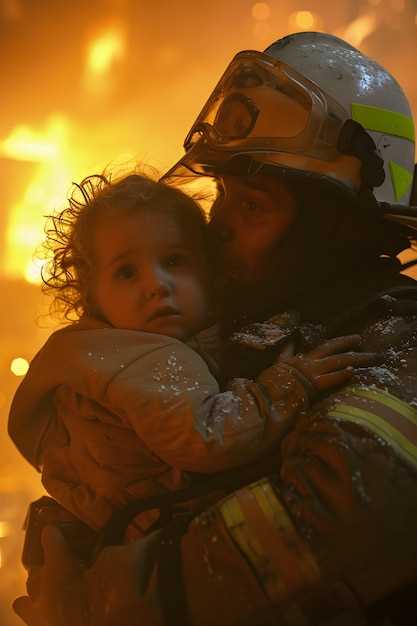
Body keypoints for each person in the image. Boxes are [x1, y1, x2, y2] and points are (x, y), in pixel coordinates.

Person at [12, 32, 417, 626]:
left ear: (335, 225)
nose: (216, 222)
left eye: (251, 206)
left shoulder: (393, 342)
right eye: (222, 193)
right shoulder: (250, 320)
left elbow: (332, 514)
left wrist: (104, 596)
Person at [9, 171, 363, 536]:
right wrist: (288, 383)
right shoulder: (138, 358)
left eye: (175, 261)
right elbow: (207, 437)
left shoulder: (115, 350)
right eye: (127, 272)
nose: (156, 285)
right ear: (93, 297)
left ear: (211, 270)